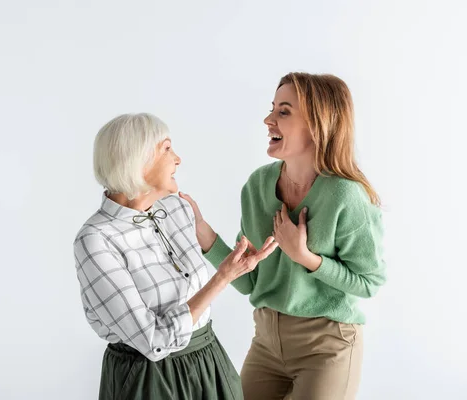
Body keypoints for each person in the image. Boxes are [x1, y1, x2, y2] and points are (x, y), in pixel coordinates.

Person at [180, 72, 386, 400]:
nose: (268, 119)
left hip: (327, 346)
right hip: (266, 343)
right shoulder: (258, 186)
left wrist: (306, 258)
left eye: (283, 112)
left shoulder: (346, 196)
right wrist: (203, 233)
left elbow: (369, 282)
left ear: (318, 124)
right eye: (272, 108)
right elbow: (249, 280)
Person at [73, 113, 279, 400]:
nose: (178, 159)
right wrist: (222, 278)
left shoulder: (176, 209)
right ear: (138, 160)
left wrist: (239, 262)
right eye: (167, 149)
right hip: (148, 378)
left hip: (209, 360)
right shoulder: (96, 239)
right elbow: (153, 341)